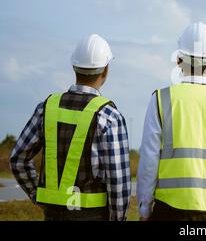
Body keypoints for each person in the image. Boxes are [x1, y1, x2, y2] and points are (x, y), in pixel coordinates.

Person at [9, 34, 131, 221]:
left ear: (74, 67)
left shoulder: (46, 108)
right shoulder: (109, 117)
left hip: (52, 215)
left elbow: (18, 159)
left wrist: (38, 194)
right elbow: (118, 182)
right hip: (93, 216)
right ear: (106, 70)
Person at [137, 22, 206, 221]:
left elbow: (148, 162)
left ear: (179, 59)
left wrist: (145, 208)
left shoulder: (161, 100)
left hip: (170, 211)